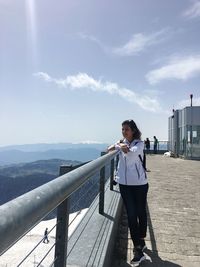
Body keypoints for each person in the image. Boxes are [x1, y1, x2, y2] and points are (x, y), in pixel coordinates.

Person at [107, 119, 148, 266]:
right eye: (123, 129)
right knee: (131, 214)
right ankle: (138, 249)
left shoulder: (139, 144)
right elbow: (108, 149)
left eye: (127, 129)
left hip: (139, 184)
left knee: (140, 212)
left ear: (133, 131)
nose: (124, 131)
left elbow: (128, 153)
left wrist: (119, 145)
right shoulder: (121, 142)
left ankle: (141, 239)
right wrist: (118, 144)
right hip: (124, 184)